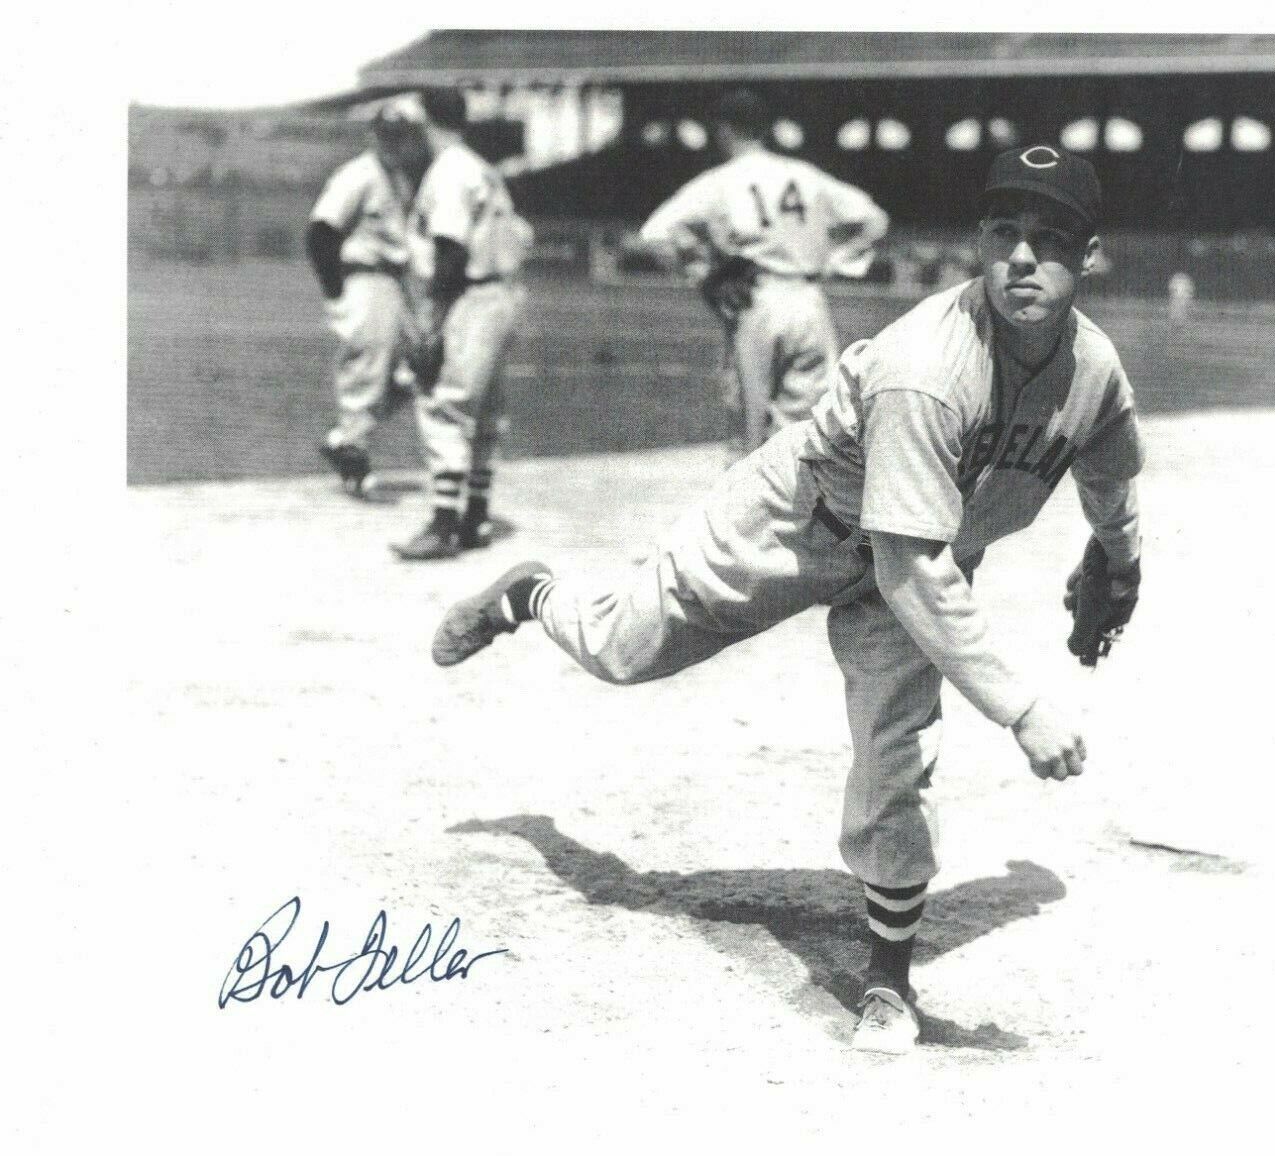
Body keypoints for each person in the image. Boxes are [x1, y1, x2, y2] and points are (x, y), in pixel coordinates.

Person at [431, 145, 1145, 1054]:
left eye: (1049, 240)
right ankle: (531, 594)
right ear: (978, 241)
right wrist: (1022, 707)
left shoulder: (1096, 369)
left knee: (898, 747)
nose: (1020, 258)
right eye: (1004, 232)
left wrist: (1118, 561)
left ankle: (888, 981)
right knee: (623, 649)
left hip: (917, 556)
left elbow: (1113, 471)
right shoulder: (927, 365)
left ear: (1089, 257)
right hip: (799, 523)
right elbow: (908, 569)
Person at [638, 89, 889, 465]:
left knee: (748, 430)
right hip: (809, 301)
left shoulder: (721, 180)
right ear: (766, 130)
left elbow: (654, 233)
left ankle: (744, 517)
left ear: (723, 132)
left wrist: (706, 272)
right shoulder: (805, 175)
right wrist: (834, 261)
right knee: (806, 427)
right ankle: (797, 516)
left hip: (756, 299)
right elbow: (874, 220)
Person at [392, 87, 533, 561]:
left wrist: (432, 316)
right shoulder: (481, 167)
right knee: (487, 412)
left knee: (444, 406)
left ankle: (442, 524)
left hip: (471, 296)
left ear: (427, 121)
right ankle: (475, 517)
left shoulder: (449, 170)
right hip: (503, 292)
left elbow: (449, 248)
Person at [305, 100, 430, 497]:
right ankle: (354, 457)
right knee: (368, 369)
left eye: (401, 135)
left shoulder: (399, 180)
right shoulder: (358, 175)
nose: (393, 142)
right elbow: (322, 232)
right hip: (365, 281)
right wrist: (334, 291)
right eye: (386, 134)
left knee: (418, 372)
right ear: (372, 135)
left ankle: (344, 439)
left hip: (394, 283)